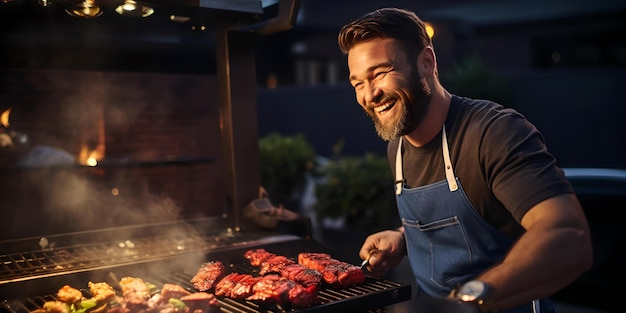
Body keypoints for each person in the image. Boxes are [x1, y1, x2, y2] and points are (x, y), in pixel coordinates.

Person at [337, 8, 592, 313]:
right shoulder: (398, 148)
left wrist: (467, 301)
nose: (370, 94)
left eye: (380, 73)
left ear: (426, 62)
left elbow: (569, 237)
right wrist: (404, 239)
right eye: (358, 83)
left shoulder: (492, 132)